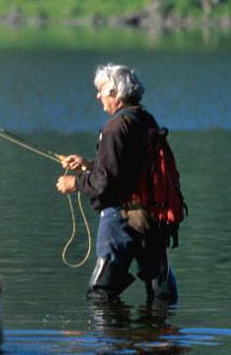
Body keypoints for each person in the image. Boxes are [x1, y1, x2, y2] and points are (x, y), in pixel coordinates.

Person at [56, 63, 178, 304]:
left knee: (100, 294)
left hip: (122, 218)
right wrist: (90, 165)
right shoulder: (144, 118)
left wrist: (75, 183)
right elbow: (128, 168)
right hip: (153, 216)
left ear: (115, 93)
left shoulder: (115, 127)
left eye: (101, 90)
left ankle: (115, 342)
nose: (98, 95)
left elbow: (105, 184)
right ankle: (157, 337)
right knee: (160, 291)